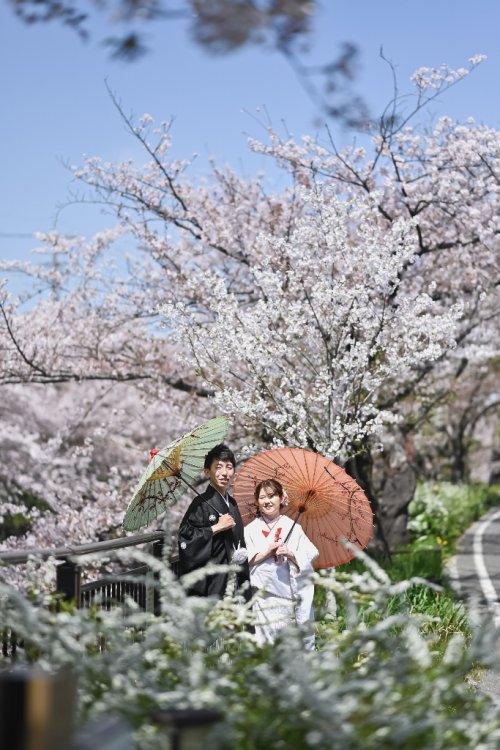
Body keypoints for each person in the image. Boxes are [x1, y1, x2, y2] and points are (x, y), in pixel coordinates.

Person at [244, 478, 319, 649]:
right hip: (262, 599)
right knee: (265, 650)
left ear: (280, 498)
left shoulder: (292, 526)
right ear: (257, 501)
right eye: (262, 497)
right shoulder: (249, 530)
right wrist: (266, 553)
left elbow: (311, 555)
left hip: (286, 598)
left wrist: (290, 553)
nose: (267, 501)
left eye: (271, 496)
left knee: (287, 650)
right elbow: (244, 561)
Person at [178, 443, 251, 600]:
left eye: (229, 467)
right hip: (214, 582)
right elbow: (186, 539)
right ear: (207, 472)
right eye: (218, 467)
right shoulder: (200, 504)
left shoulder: (232, 503)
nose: (225, 473)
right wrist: (215, 528)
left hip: (236, 577)